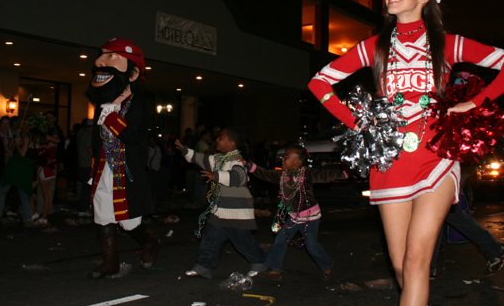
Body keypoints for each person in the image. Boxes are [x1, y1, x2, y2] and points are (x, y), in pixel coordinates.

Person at [309, 0, 504, 306]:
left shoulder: (448, 43)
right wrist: (358, 121)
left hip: (437, 155)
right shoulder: (373, 47)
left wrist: (472, 103)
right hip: (390, 159)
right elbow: (319, 82)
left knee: (415, 264)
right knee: (399, 267)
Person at [86, 38, 159, 277]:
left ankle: (149, 242)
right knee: (102, 215)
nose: (100, 62)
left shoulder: (138, 103)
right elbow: (97, 139)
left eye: (110, 57)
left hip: (126, 171)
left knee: (129, 222)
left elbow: (131, 136)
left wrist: (112, 111)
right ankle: (110, 263)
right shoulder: (104, 105)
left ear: (133, 73)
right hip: (104, 168)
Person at [175, 127, 267, 279]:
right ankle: (203, 266)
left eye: (221, 138)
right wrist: (185, 150)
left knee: (243, 241)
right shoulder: (218, 159)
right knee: (210, 239)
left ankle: (260, 263)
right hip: (220, 210)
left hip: (236, 210)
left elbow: (238, 177)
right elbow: (201, 159)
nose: (217, 139)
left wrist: (216, 176)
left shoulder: (238, 160)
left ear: (232, 143)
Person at [248, 144, 342, 281]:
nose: (283, 159)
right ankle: (275, 270)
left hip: (310, 217)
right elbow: (265, 174)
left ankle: (327, 266)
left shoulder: (307, 174)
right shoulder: (282, 175)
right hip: (293, 217)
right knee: (280, 240)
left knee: (312, 246)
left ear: (298, 162)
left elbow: (326, 175)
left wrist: (348, 172)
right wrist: (249, 165)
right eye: (283, 156)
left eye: (286, 156)